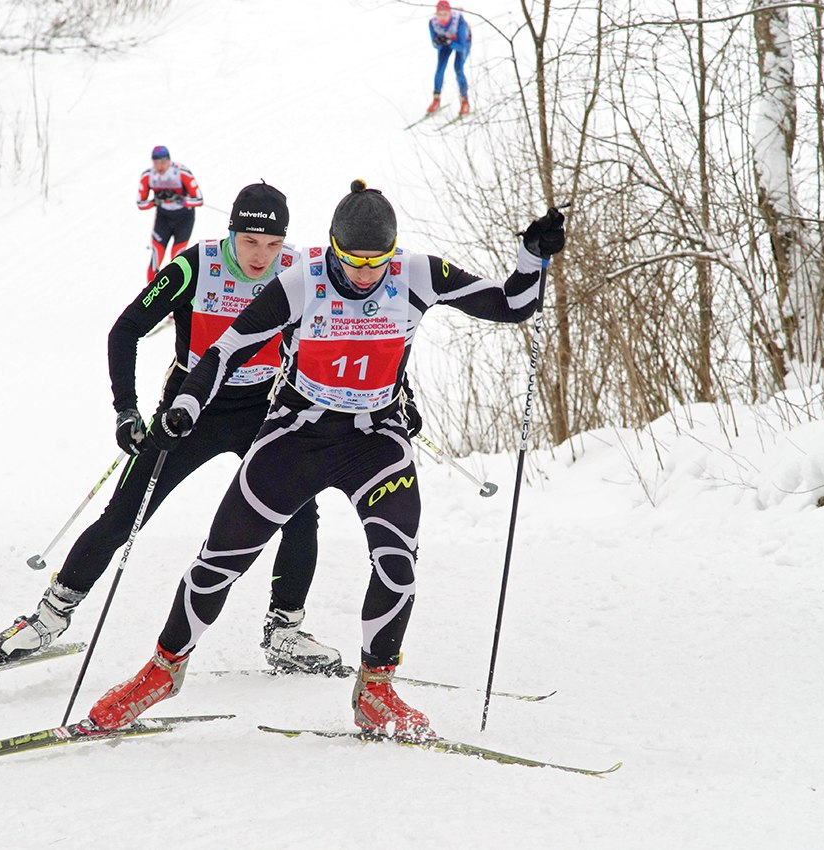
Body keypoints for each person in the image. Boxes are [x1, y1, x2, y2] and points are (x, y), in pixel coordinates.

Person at [83, 180, 566, 740]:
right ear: (332, 247)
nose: (365, 274)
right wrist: (187, 404)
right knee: (219, 562)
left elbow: (514, 304)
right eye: (353, 261)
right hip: (297, 434)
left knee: (397, 565)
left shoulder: (417, 274)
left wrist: (532, 255)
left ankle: (376, 689)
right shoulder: (301, 281)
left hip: (375, 439)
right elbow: (226, 349)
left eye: (377, 262)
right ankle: (162, 671)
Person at [0, 182, 344, 676]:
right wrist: (126, 410)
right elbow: (126, 329)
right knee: (124, 514)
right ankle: (50, 616)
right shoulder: (195, 265)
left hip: (262, 407)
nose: (260, 256)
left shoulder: (300, 269)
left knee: (300, 514)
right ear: (231, 233)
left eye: (271, 244)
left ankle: (284, 630)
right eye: (249, 242)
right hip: (190, 407)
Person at [137, 145, 203, 283]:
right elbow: (140, 204)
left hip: (184, 219)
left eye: (163, 162)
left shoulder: (181, 173)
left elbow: (199, 200)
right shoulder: (148, 176)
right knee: (156, 256)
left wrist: (181, 200)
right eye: (156, 163)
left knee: (177, 260)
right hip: (163, 219)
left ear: (169, 161)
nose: (160, 167)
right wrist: (155, 201)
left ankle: (173, 298)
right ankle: (149, 295)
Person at [426, 1, 472, 116]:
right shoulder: (433, 23)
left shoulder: (459, 21)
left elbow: (461, 47)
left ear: (450, 13)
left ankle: (465, 101)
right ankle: (436, 99)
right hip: (447, 43)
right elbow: (435, 45)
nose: (442, 17)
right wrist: (438, 43)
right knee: (440, 69)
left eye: (445, 14)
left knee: (458, 69)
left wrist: (449, 41)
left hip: (462, 42)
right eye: (439, 14)